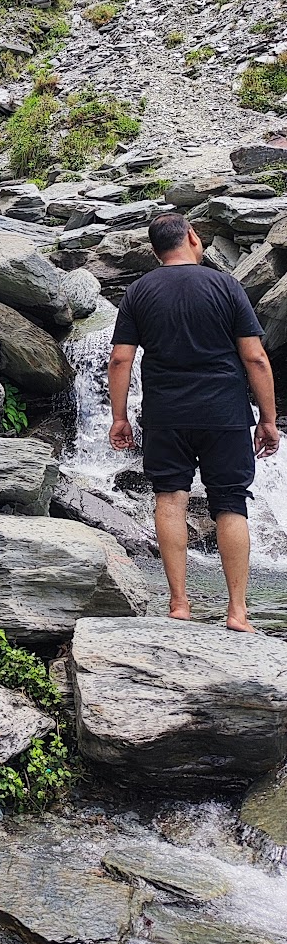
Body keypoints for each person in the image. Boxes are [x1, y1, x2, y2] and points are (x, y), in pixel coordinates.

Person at [108, 212, 280, 634]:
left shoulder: (138, 291)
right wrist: (268, 420)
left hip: (166, 414)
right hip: (224, 414)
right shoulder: (226, 286)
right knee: (230, 502)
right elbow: (255, 357)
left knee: (169, 498)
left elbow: (120, 359)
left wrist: (119, 418)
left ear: (155, 251)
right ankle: (238, 612)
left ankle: (179, 603)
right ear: (191, 237)